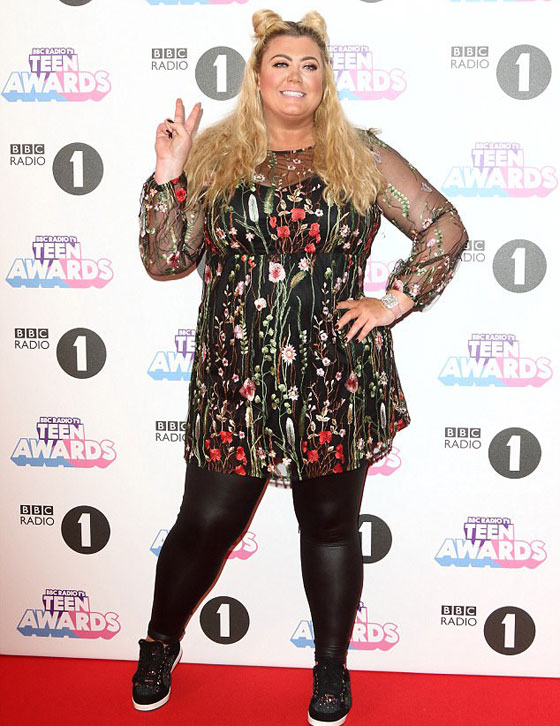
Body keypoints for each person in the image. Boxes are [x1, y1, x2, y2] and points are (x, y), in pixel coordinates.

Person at [133, 8, 468, 725]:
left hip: (334, 375)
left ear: (326, 81)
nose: (295, 76)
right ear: (257, 77)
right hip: (236, 376)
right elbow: (165, 260)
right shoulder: (216, 155)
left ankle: (330, 669)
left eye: (310, 65)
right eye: (281, 63)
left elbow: (443, 226)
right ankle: (160, 642)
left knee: (331, 525)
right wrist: (169, 174)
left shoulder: (360, 154)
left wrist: (395, 301)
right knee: (207, 520)